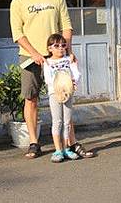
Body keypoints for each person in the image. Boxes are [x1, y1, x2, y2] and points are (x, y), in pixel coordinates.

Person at [10, 0, 94, 159]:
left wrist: (67, 50)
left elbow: (66, 26)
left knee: (64, 96)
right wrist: (35, 53)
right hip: (30, 58)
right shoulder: (18, 1)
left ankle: (71, 143)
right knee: (31, 99)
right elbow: (17, 33)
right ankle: (33, 143)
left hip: (57, 59)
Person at [43, 33, 80, 163]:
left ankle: (66, 148)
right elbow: (48, 79)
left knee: (67, 121)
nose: (60, 48)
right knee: (57, 121)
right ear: (49, 48)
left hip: (68, 92)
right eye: (56, 46)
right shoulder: (47, 62)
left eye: (63, 45)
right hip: (55, 93)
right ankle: (58, 149)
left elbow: (76, 73)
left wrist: (73, 81)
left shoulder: (69, 59)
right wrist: (59, 84)